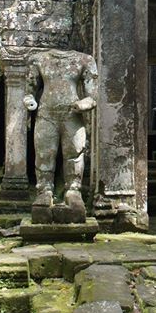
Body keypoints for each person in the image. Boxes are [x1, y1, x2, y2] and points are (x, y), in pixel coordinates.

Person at [24, 49, 98, 214]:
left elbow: (93, 95)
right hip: (46, 114)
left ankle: (73, 190)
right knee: (44, 153)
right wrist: (29, 100)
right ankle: (44, 190)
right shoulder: (38, 60)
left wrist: (84, 104)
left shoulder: (84, 60)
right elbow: (29, 91)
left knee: (74, 153)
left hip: (72, 114)